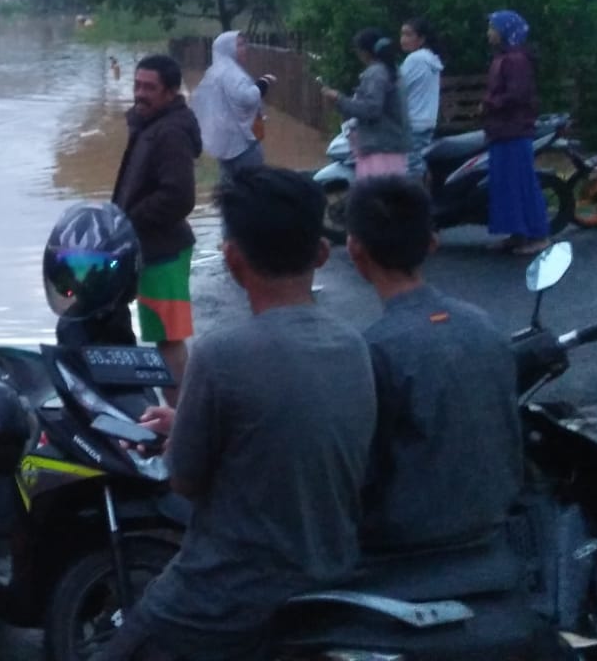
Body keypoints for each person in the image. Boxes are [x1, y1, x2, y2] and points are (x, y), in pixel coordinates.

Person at [98, 168, 376, 661]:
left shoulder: (222, 355)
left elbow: (183, 479)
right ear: (320, 253)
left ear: (231, 260)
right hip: (331, 576)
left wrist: (180, 435)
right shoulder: (354, 347)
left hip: (222, 595)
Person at [346, 175, 523, 551]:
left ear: (354, 249)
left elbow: (360, 468)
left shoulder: (374, 350)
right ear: (432, 244)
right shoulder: (482, 323)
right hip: (496, 515)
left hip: (411, 537)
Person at [111, 53, 202, 399]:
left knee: (169, 339)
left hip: (163, 250)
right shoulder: (149, 124)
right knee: (162, 335)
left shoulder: (171, 132)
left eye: (149, 87)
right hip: (150, 248)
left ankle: (181, 422)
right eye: (137, 84)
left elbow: (179, 197)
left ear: (170, 92)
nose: (140, 93)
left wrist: (128, 219)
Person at [483, 10, 550, 256]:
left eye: (493, 28)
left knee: (521, 184)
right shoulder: (506, 57)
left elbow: (518, 95)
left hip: (514, 129)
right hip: (502, 130)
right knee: (506, 186)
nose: (489, 33)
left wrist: (490, 103)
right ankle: (517, 234)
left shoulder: (515, 60)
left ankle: (538, 235)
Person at [322, 28, 412, 178]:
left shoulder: (375, 73)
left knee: (376, 197)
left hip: (378, 148)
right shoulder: (393, 71)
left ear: (365, 52)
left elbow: (371, 109)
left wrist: (339, 99)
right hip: (393, 147)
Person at [193, 31, 275, 177]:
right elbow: (246, 99)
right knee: (252, 186)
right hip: (242, 144)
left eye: (244, 44)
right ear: (227, 48)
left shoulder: (215, 71)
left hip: (226, 143)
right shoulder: (231, 73)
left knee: (229, 187)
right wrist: (263, 83)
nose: (245, 48)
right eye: (239, 45)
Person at [398, 18, 444, 177]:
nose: (403, 39)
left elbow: (397, 88)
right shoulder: (431, 59)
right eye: (402, 34)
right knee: (416, 164)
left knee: (409, 170)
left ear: (421, 39)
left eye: (408, 35)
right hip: (426, 122)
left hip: (413, 123)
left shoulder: (415, 59)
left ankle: (415, 201)